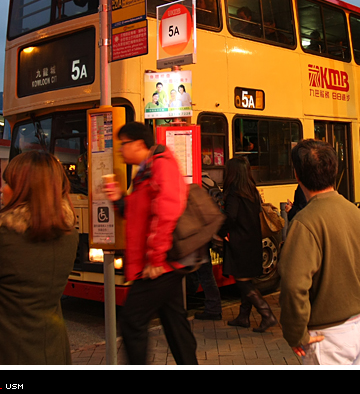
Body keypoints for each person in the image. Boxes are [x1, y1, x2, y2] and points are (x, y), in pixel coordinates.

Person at [0, 151, 78, 364]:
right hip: (52, 350)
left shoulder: (0, 236)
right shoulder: (68, 233)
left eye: (8, 183)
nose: (1, 189)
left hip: (1, 351)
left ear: (26, 189)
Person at [103, 121, 198, 365]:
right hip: (163, 263)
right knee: (175, 323)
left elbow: (167, 212)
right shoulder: (144, 172)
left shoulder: (160, 167)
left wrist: (155, 258)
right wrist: (118, 199)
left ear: (138, 144)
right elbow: (139, 217)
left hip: (159, 264)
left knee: (132, 321)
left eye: (123, 144)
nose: (120, 150)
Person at [279, 140, 360, 365]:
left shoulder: (305, 222)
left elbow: (293, 285)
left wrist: (295, 334)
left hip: (326, 335)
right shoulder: (356, 212)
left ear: (297, 174)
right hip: (359, 325)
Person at [220, 157, 277, 333]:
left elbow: (230, 216)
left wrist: (222, 233)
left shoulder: (234, 192)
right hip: (253, 239)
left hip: (239, 240)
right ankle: (243, 316)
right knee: (248, 278)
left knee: (242, 281)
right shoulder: (252, 191)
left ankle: (266, 314)